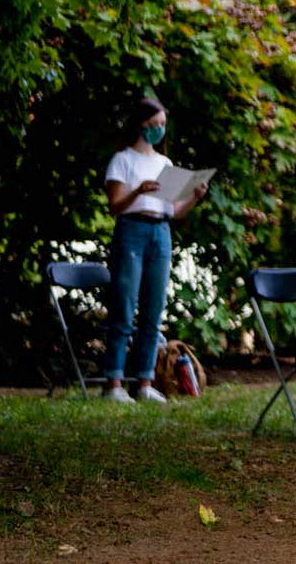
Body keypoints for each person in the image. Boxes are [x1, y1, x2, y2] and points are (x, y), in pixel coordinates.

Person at [99, 98, 211, 405]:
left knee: (153, 310)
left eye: (162, 125)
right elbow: (115, 206)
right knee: (124, 306)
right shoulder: (122, 160)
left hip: (160, 231)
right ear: (140, 125)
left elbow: (174, 211)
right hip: (132, 229)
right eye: (153, 125)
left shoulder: (164, 164)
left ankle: (146, 381)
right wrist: (138, 190)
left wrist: (195, 197)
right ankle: (114, 382)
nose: (158, 130)